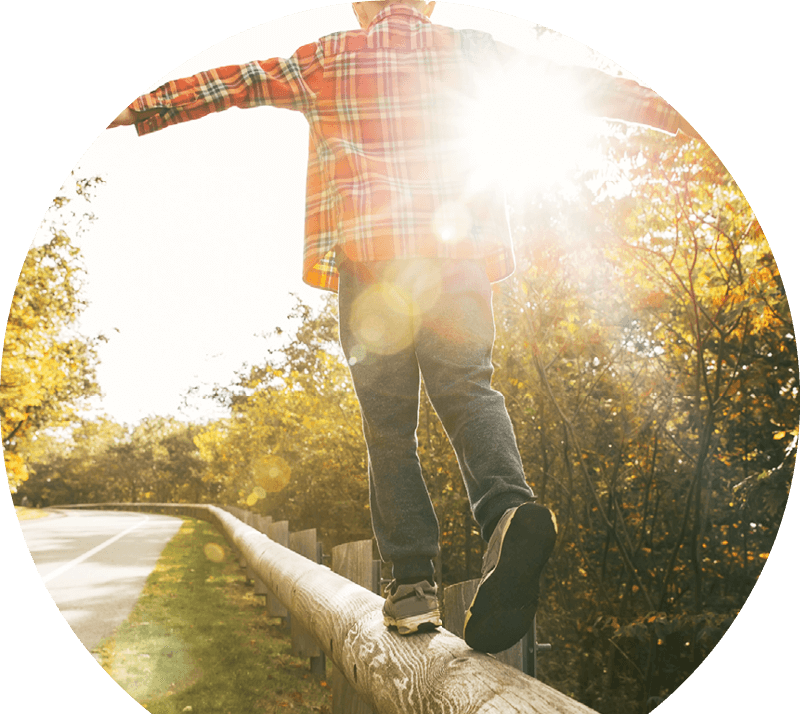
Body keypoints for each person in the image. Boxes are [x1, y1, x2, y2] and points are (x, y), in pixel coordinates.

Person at [108, 1, 700, 654]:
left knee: (389, 426)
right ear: (427, 5)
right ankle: (507, 515)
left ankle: (413, 586)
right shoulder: (472, 49)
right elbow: (576, 84)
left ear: (363, 9)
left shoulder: (326, 56)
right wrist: (668, 115)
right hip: (460, 262)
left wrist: (143, 107)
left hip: (374, 269)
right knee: (471, 390)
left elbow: (235, 83)